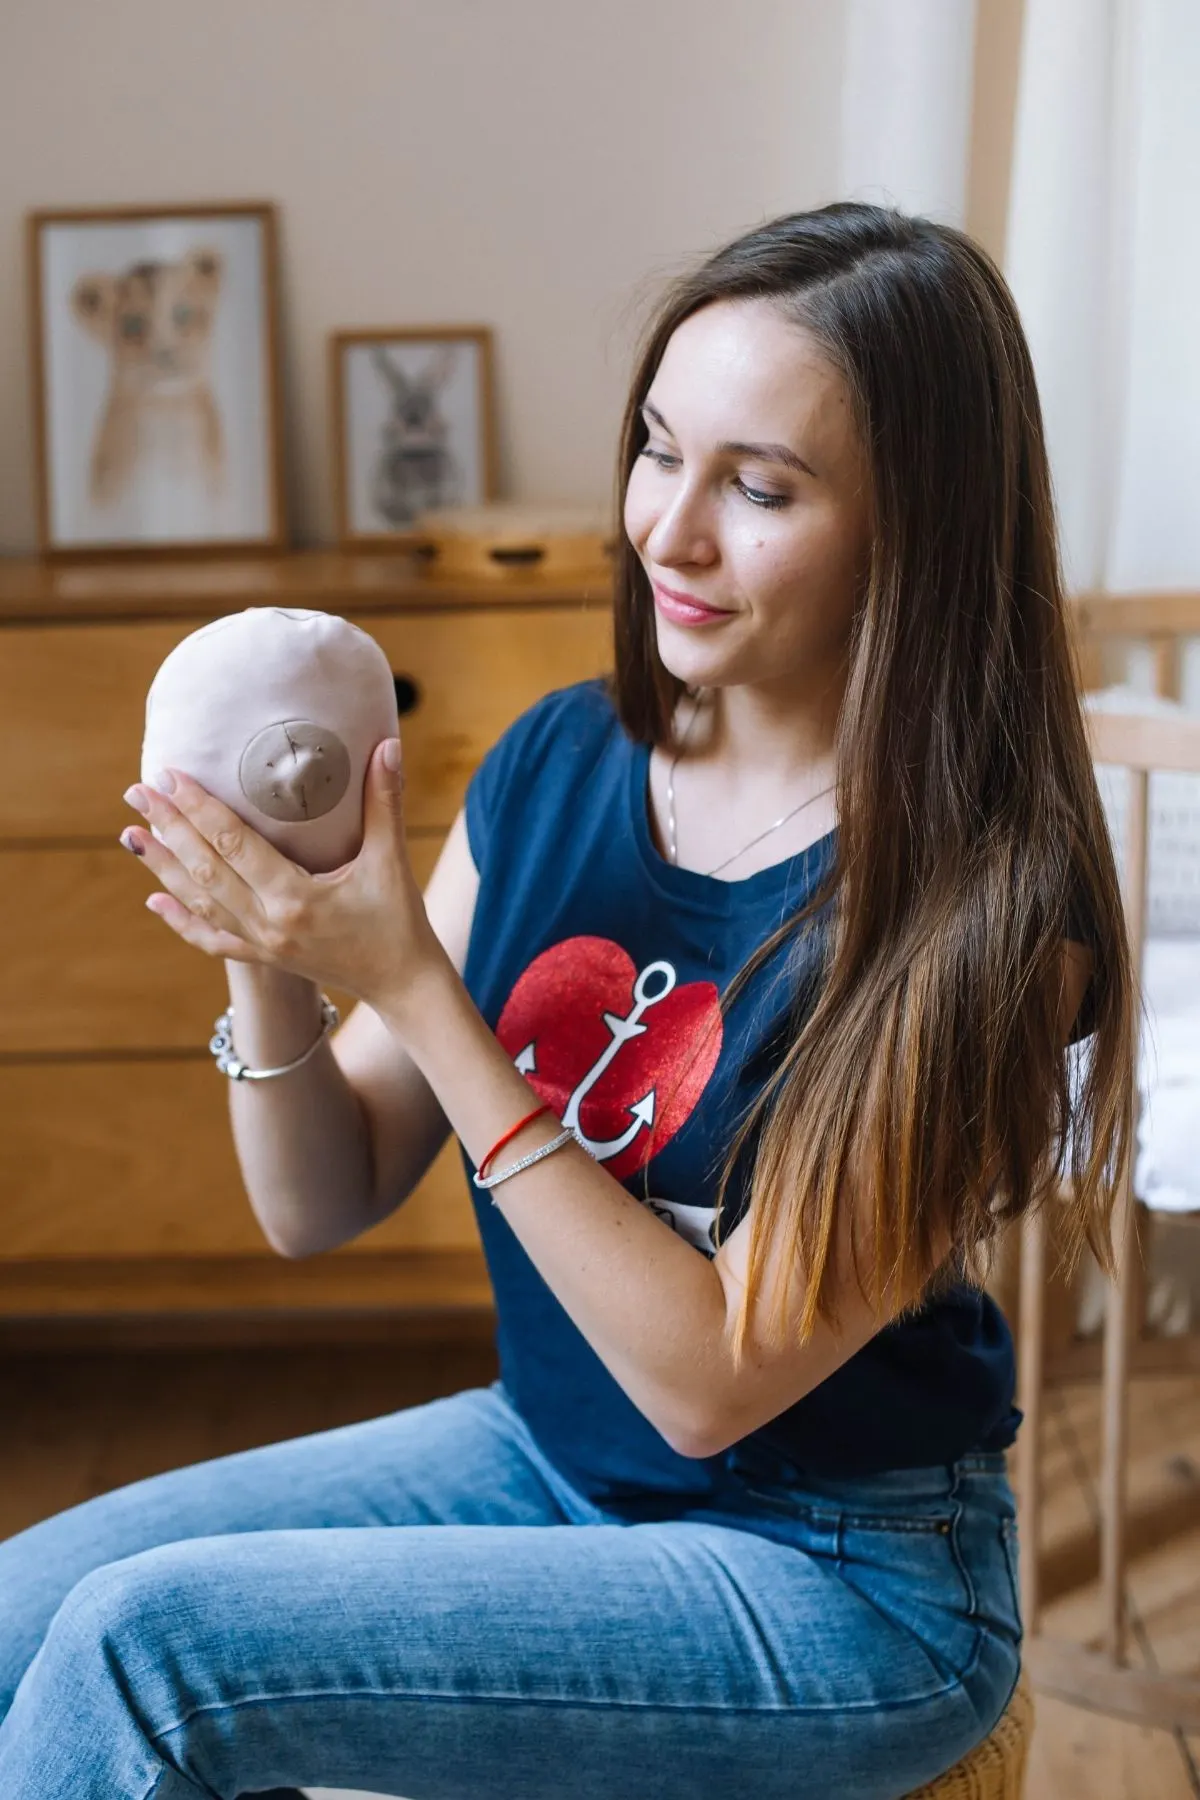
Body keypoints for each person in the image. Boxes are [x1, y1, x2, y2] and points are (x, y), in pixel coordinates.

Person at [0, 202, 1134, 1800]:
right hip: (546, 1454)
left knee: (146, 1653)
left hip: (842, 1581)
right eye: (659, 451)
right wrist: (262, 926)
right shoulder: (557, 763)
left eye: (758, 488)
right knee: (19, 1613)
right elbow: (318, 1200)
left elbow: (705, 1384)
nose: (667, 530)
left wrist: (409, 980)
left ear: (916, 528)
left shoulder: (991, 916)